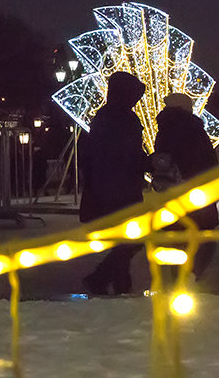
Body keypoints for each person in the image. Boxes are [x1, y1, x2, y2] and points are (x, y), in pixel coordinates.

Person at [79, 72, 147, 295]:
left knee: (127, 238)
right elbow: (126, 154)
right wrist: (147, 162)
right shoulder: (119, 119)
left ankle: (118, 282)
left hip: (112, 186)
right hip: (117, 188)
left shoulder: (108, 117)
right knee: (133, 238)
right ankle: (103, 279)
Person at [153, 93, 219, 280]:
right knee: (204, 237)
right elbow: (205, 160)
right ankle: (190, 274)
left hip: (171, 191)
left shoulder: (164, 129)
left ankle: (179, 277)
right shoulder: (193, 128)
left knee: (178, 236)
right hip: (196, 189)